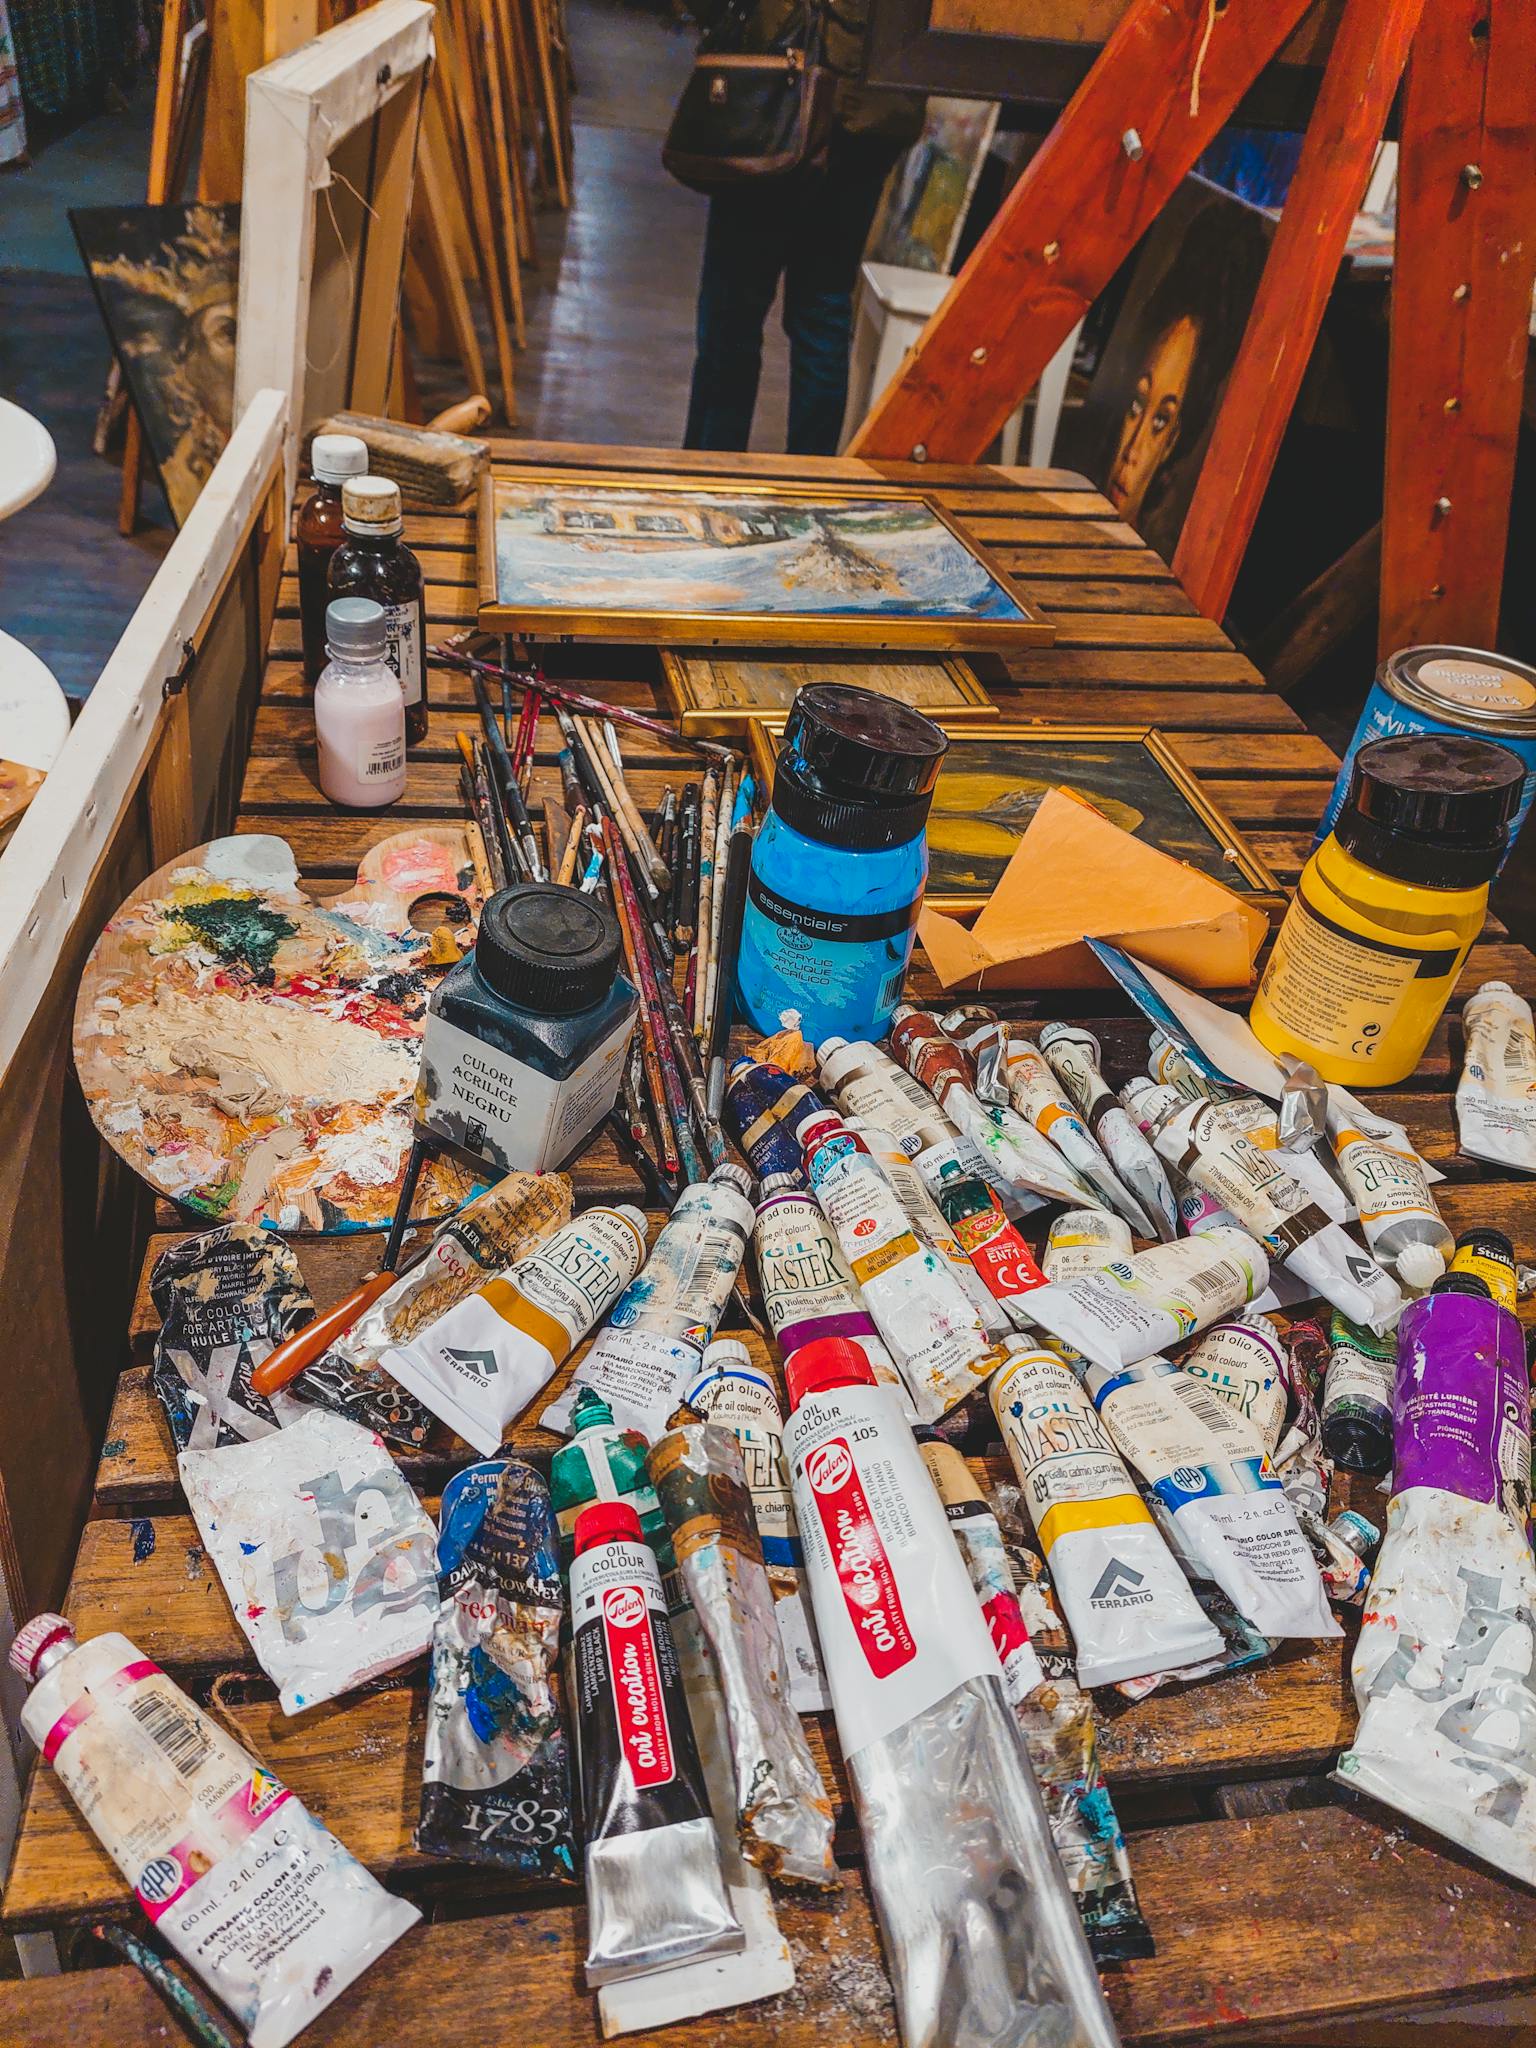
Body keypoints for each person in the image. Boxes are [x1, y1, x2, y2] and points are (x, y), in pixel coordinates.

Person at [680, 0, 924, 456]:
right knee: (822, 310)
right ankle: (809, 483)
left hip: (776, 87)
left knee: (732, 310)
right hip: (874, 103)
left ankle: (708, 476)